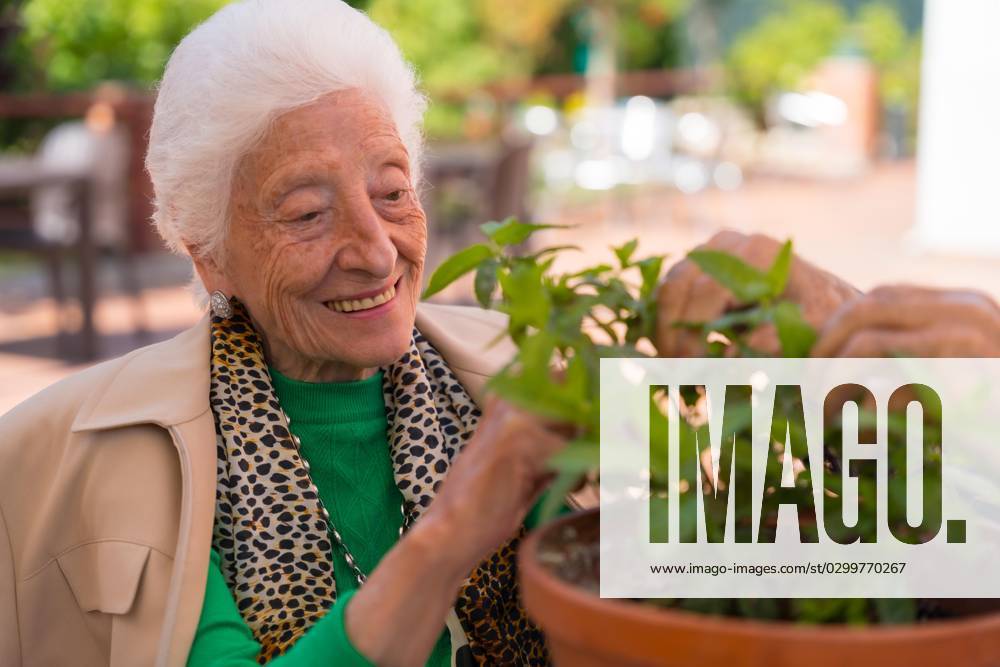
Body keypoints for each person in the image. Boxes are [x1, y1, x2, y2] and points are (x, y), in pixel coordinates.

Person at [1, 1, 997, 666]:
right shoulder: (91, 453)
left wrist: (883, 376)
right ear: (203, 248)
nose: (373, 250)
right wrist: (454, 529)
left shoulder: (534, 376)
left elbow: (856, 563)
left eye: (393, 193)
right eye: (305, 213)